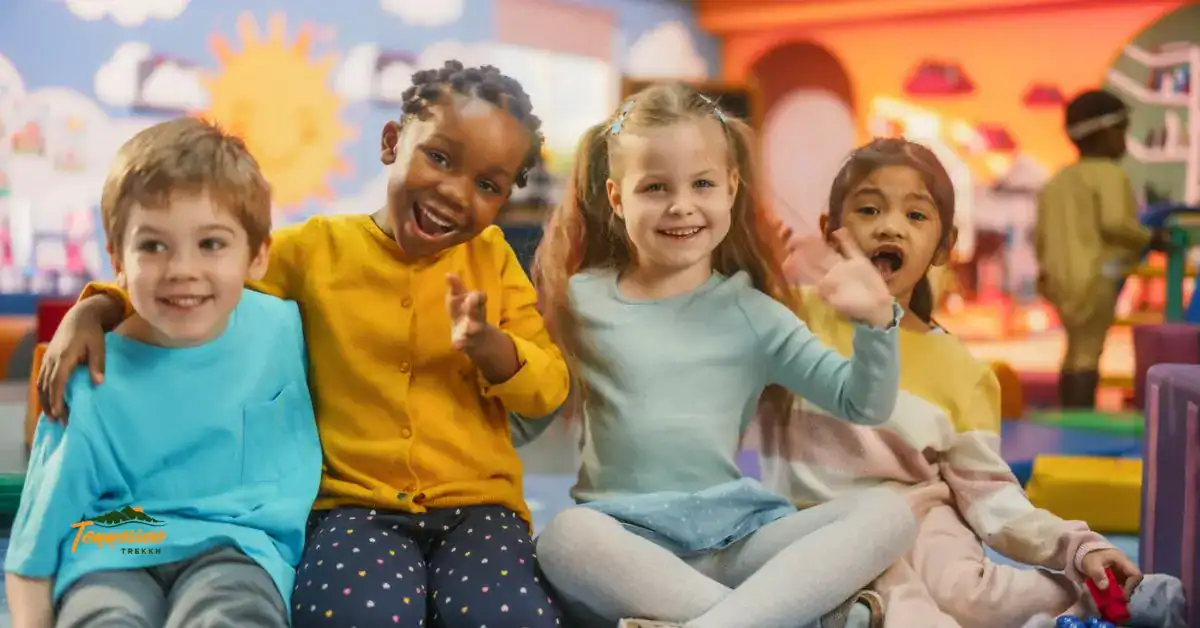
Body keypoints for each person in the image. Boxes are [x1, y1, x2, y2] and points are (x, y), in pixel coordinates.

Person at [36, 61, 568, 628]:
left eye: (487, 185)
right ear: (391, 142)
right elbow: (199, 283)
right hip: (352, 506)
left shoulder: (493, 259)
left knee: (514, 618)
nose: (455, 193)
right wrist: (95, 308)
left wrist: (490, 347)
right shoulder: (315, 250)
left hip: (481, 509)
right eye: (438, 157)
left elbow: (548, 388)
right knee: (349, 618)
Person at [530, 83, 916, 628]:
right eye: (655, 187)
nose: (681, 205)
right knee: (564, 538)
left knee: (891, 514)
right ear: (617, 199)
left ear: (731, 188)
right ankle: (798, 620)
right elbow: (526, 413)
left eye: (703, 183)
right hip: (624, 548)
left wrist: (877, 323)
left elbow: (863, 403)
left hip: (737, 543)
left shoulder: (753, 314)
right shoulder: (580, 300)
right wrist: (485, 356)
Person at [765, 137, 1185, 628]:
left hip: (923, 521)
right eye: (869, 209)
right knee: (898, 608)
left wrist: (1078, 548)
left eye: (915, 215)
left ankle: (1103, 596)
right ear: (830, 230)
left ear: (944, 246)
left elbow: (990, 495)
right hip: (821, 525)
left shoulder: (962, 371)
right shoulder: (787, 319)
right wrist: (754, 272)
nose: (889, 226)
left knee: (970, 596)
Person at [4, 117, 321, 628]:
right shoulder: (90, 377)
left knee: (230, 615)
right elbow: (31, 553)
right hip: (110, 552)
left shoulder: (283, 327)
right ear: (117, 259)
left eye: (211, 244)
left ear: (258, 254)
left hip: (237, 551)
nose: (181, 270)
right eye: (153, 246)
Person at [1034, 89, 1155, 408]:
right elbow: (1115, 223)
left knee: (1075, 348)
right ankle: (1079, 416)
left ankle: (1067, 414)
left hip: (1060, 280)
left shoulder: (1059, 180)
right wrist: (1151, 237)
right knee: (1089, 350)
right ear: (1106, 133)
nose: (1125, 141)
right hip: (1096, 278)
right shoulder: (1110, 175)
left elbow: (1040, 234)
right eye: (1122, 131)